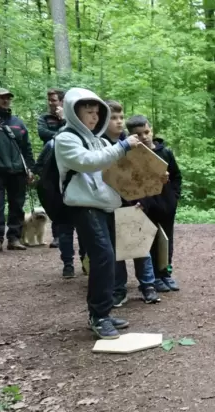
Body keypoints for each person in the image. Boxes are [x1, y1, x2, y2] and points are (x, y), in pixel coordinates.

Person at [55, 87, 140, 339]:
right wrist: (123, 145)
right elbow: (89, 162)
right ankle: (98, 316)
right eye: (88, 112)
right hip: (84, 207)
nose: (93, 117)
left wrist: (154, 177)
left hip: (104, 205)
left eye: (96, 112)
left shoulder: (101, 141)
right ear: (73, 112)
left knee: (110, 257)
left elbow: (121, 172)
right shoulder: (66, 139)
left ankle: (104, 311)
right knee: (102, 256)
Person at [105, 104, 159, 305]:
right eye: (113, 117)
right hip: (109, 203)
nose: (118, 121)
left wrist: (142, 201)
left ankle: (148, 286)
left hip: (135, 203)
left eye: (121, 117)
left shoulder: (133, 144)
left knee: (140, 247)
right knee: (116, 250)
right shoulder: (99, 144)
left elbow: (145, 174)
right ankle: (119, 289)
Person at [124, 114, 182, 293]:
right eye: (139, 134)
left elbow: (176, 176)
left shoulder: (165, 152)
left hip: (166, 205)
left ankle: (166, 273)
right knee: (149, 242)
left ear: (152, 130)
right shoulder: (131, 155)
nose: (144, 137)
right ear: (132, 136)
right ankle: (154, 277)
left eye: (146, 132)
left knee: (167, 241)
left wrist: (174, 195)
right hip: (145, 206)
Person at [0, 88, 35, 255]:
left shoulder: (18, 123)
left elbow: (27, 148)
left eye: (8, 98)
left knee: (17, 205)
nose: (5, 100)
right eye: (2, 97)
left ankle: (14, 238)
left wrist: (30, 169)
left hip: (18, 170)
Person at [37, 88, 66, 248]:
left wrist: (63, 119)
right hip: (50, 164)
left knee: (64, 198)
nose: (50, 103)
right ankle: (57, 236)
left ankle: (67, 233)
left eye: (54, 100)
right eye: (49, 100)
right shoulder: (44, 118)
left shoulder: (69, 117)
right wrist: (60, 134)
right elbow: (43, 133)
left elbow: (73, 132)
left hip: (66, 162)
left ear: (62, 101)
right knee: (53, 197)